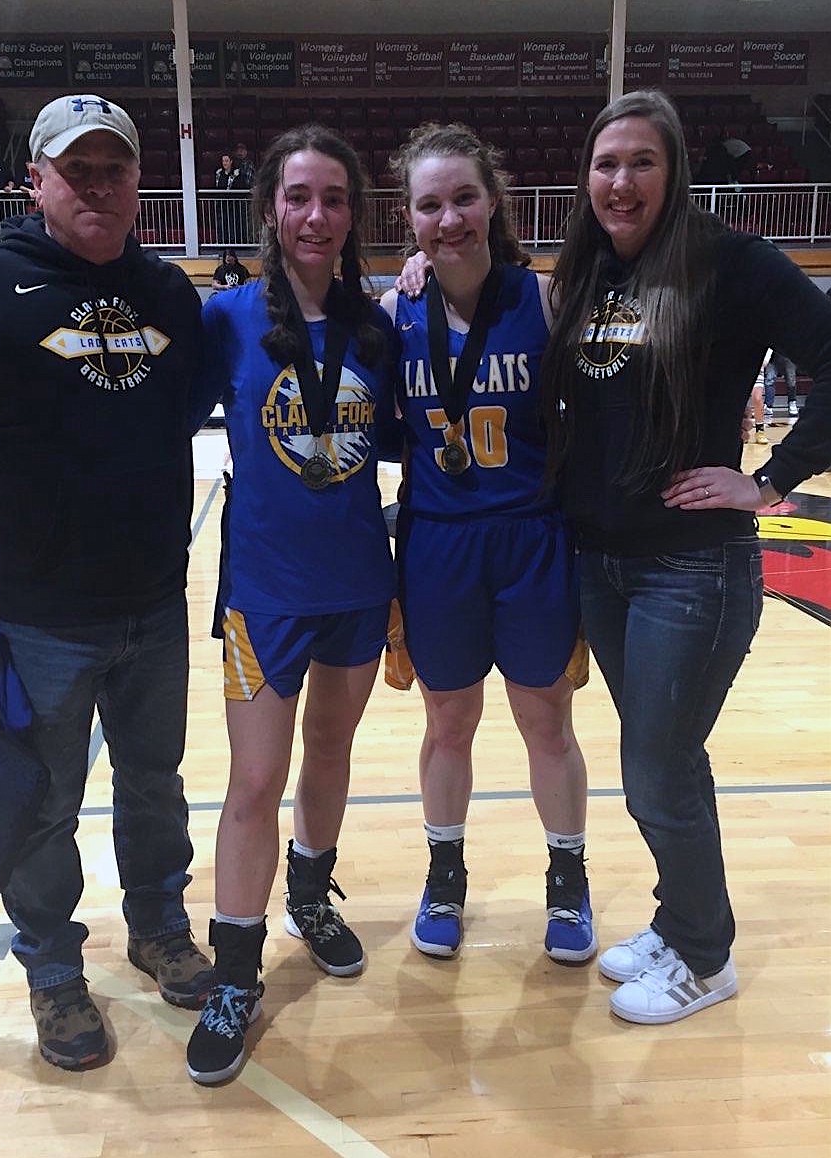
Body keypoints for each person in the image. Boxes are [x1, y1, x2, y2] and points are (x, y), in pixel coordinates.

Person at [0, 93, 214, 1071]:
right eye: (77, 170)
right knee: (43, 803)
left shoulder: (167, 293)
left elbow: (201, 402)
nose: (98, 187)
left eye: (114, 168)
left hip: (154, 604)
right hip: (37, 618)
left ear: (136, 181)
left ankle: (158, 926)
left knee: (154, 787)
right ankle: (53, 968)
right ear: (34, 181)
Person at [540, 89, 831, 1025]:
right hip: (605, 564)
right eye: (604, 164)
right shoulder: (592, 269)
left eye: (640, 162)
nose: (619, 182)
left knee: (657, 772)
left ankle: (705, 959)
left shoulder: (728, 263)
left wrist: (772, 476)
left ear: (674, 171)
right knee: (664, 763)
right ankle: (679, 921)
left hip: (691, 570)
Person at [184, 123, 399, 1086]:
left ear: (354, 215)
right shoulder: (225, 317)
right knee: (253, 781)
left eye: (335, 199)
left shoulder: (379, 327)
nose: (317, 215)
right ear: (271, 207)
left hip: (358, 583)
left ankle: (309, 896)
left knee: (331, 752)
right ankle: (236, 973)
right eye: (299, 196)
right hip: (262, 597)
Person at [381, 123, 594, 966]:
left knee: (546, 722)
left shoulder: (542, 299)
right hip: (436, 542)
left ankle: (567, 880)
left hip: (532, 537)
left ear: (492, 202)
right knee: (448, 720)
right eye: (430, 204)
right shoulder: (393, 309)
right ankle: (444, 873)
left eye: (463, 197)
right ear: (410, 217)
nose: (449, 218)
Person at [764, 351, 799, 419]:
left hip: (788, 355)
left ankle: (792, 403)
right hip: (772, 355)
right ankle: (768, 406)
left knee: (791, 380)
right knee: (769, 380)